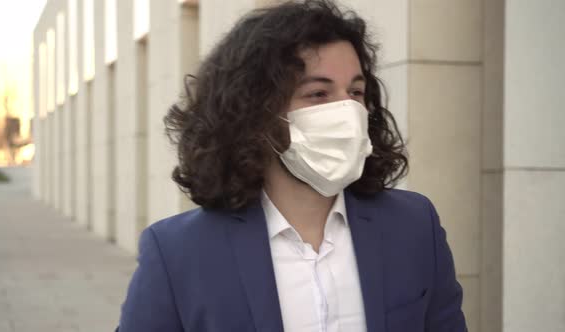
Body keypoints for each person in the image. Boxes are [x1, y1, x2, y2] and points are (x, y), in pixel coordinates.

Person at [117, 0, 467, 331]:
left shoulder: (414, 225)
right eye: (318, 94)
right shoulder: (177, 252)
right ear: (255, 111)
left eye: (356, 92)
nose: (348, 111)